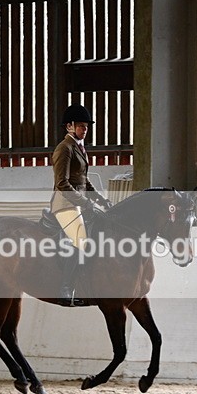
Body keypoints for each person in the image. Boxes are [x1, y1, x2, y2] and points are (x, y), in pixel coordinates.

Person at [50, 104, 114, 306]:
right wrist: (86, 203)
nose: (84, 130)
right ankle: (66, 288)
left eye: (86, 126)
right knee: (80, 241)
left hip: (80, 203)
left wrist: (100, 199)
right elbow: (62, 183)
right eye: (80, 126)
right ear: (69, 127)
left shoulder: (80, 148)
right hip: (65, 204)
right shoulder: (64, 148)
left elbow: (84, 181)